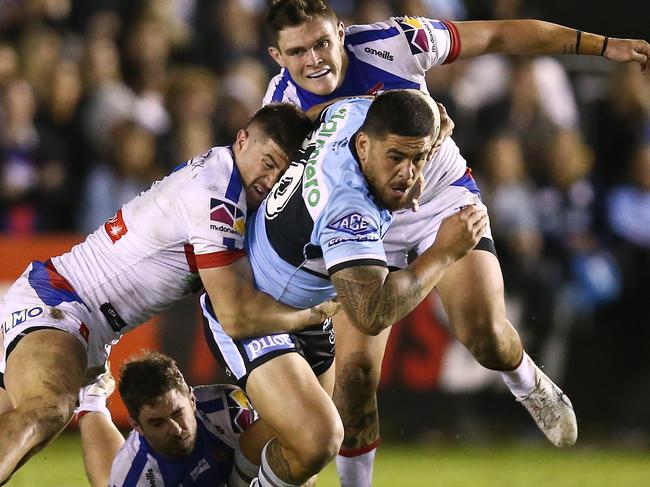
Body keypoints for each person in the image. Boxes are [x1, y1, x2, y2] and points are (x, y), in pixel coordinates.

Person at [262, 2, 649, 485]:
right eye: (298, 51)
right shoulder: (278, 115)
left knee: (484, 335)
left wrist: (604, 45)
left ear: (341, 31)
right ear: (277, 55)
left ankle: (524, 378)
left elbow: (499, 36)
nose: (315, 59)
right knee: (356, 377)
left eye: (322, 42)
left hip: (437, 198)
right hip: (362, 225)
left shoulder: (395, 42)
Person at [0, 103, 340, 484]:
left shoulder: (224, 174)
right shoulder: (219, 193)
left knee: (27, 435)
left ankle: (91, 399)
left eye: (282, 171)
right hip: (63, 303)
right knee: (48, 407)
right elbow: (236, 317)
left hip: (90, 326)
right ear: (242, 140)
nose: (271, 177)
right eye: (268, 161)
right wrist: (313, 314)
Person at [202, 89, 489, 487]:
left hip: (307, 308)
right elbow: (372, 315)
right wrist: (443, 253)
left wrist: (433, 127)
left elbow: (345, 110)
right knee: (318, 440)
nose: (408, 173)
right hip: (258, 309)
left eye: (418, 159)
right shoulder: (348, 209)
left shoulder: (356, 112)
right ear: (364, 145)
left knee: (295, 449)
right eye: (396, 158)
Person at [77, 352, 257, 487]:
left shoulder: (229, 408)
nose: (175, 430)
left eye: (178, 413)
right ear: (137, 426)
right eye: (157, 423)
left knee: (269, 431)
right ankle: (93, 399)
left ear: (192, 400)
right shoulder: (135, 477)